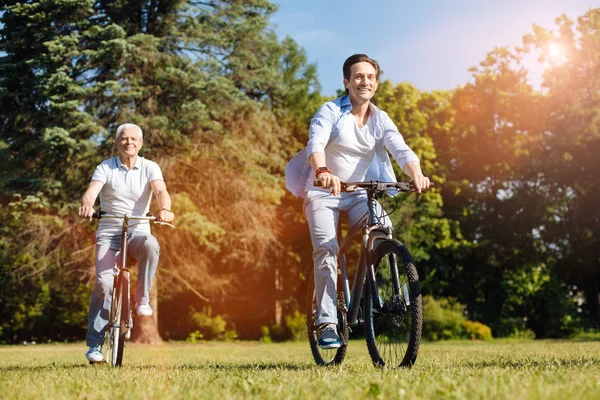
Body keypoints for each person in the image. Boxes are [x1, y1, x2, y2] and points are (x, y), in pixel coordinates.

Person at [285, 54, 431, 349]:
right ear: (347, 82)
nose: (365, 82)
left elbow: (401, 150)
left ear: (376, 83)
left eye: (370, 77)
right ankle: (327, 320)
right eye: (358, 77)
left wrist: (416, 174)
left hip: (357, 193)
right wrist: (323, 171)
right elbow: (316, 144)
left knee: (383, 228)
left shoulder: (380, 119)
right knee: (327, 249)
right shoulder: (330, 111)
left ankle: (373, 295)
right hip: (323, 191)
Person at [78, 123, 174, 362]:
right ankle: (94, 346)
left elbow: (161, 191)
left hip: (137, 232)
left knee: (151, 244)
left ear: (140, 143)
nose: (129, 142)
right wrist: (88, 205)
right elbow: (92, 190)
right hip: (109, 233)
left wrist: (164, 209)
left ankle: (142, 299)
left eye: (133, 139)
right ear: (117, 142)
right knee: (104, 283)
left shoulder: (150, 167)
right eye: (124, 138)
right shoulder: (106, 167)